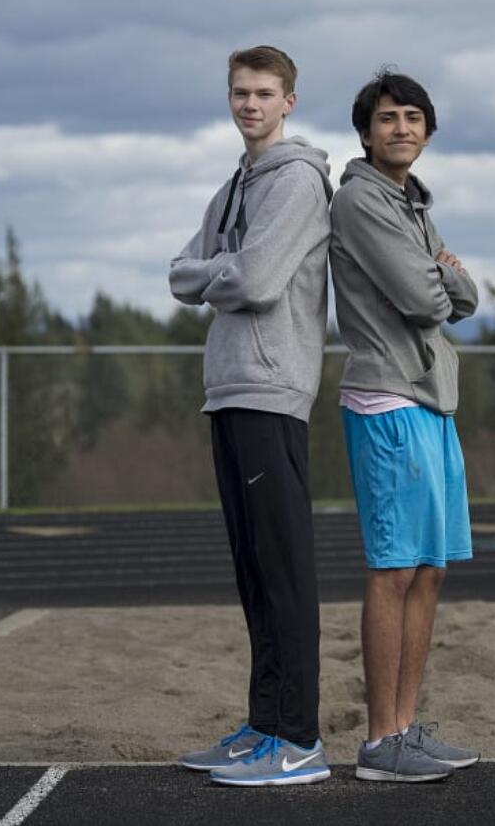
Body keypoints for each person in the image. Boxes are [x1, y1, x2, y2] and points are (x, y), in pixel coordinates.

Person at [169, 45, 332, 787]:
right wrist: (216, 275)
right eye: (240, 92)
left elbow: (261, 279)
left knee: (286, 572)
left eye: (264, 93)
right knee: (253, 573)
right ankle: (263, 725)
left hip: (271, 387)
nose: (250, 104)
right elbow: (178, 273)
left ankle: (298, 738)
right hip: (226, 387)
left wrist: (214, 275)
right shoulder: (235, 185)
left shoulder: (297, 180)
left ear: (289, 100)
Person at [328, 69, 481, 783]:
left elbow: (468, 295)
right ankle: (378, 741)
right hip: (387, 400)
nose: (402, 128)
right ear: (366, 132)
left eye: (414, 117)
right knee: (394, 569)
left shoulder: (412, 202)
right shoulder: (362, 201)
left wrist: (448, 278)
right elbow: (429, 297)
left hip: (432, 398)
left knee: (431, 567)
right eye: (388, 118)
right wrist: (443, 276)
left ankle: (406, 729)